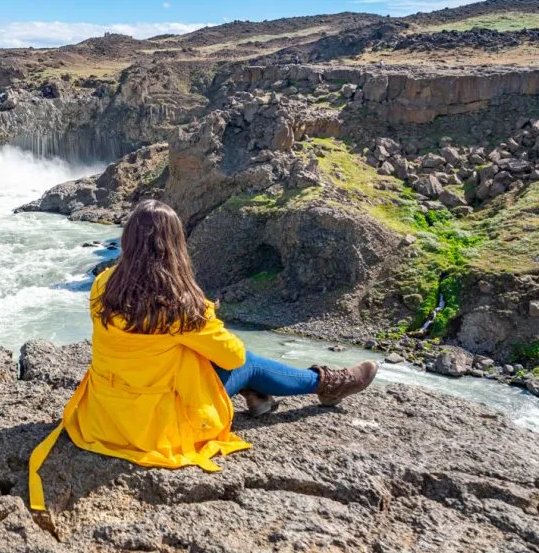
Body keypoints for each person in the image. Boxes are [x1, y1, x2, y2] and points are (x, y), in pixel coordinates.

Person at [28, 199, 378, 512]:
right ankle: (328, 383)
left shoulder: (103, 285)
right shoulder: (179, 306)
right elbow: (233, 356)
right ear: (175, 245)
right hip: (153, 428)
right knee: (250, 362)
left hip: (103, 415)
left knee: (188, 355)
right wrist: (206, 319)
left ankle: (264, 395)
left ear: (129, 242)